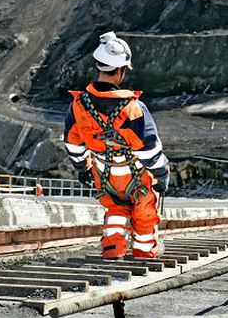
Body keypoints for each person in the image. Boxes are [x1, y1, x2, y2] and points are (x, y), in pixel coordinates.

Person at [63, 32, 170, 259]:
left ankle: (113, 250)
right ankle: (144, 251)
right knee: (144, 214)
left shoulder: (78, 107)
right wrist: (163, 173)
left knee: (115, 211)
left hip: (105, 179)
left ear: (98, 66)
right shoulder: (134, 109)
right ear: (121, 71)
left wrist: (83, 169)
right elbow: (150, 151)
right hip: (137, 179)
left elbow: (74, 146)